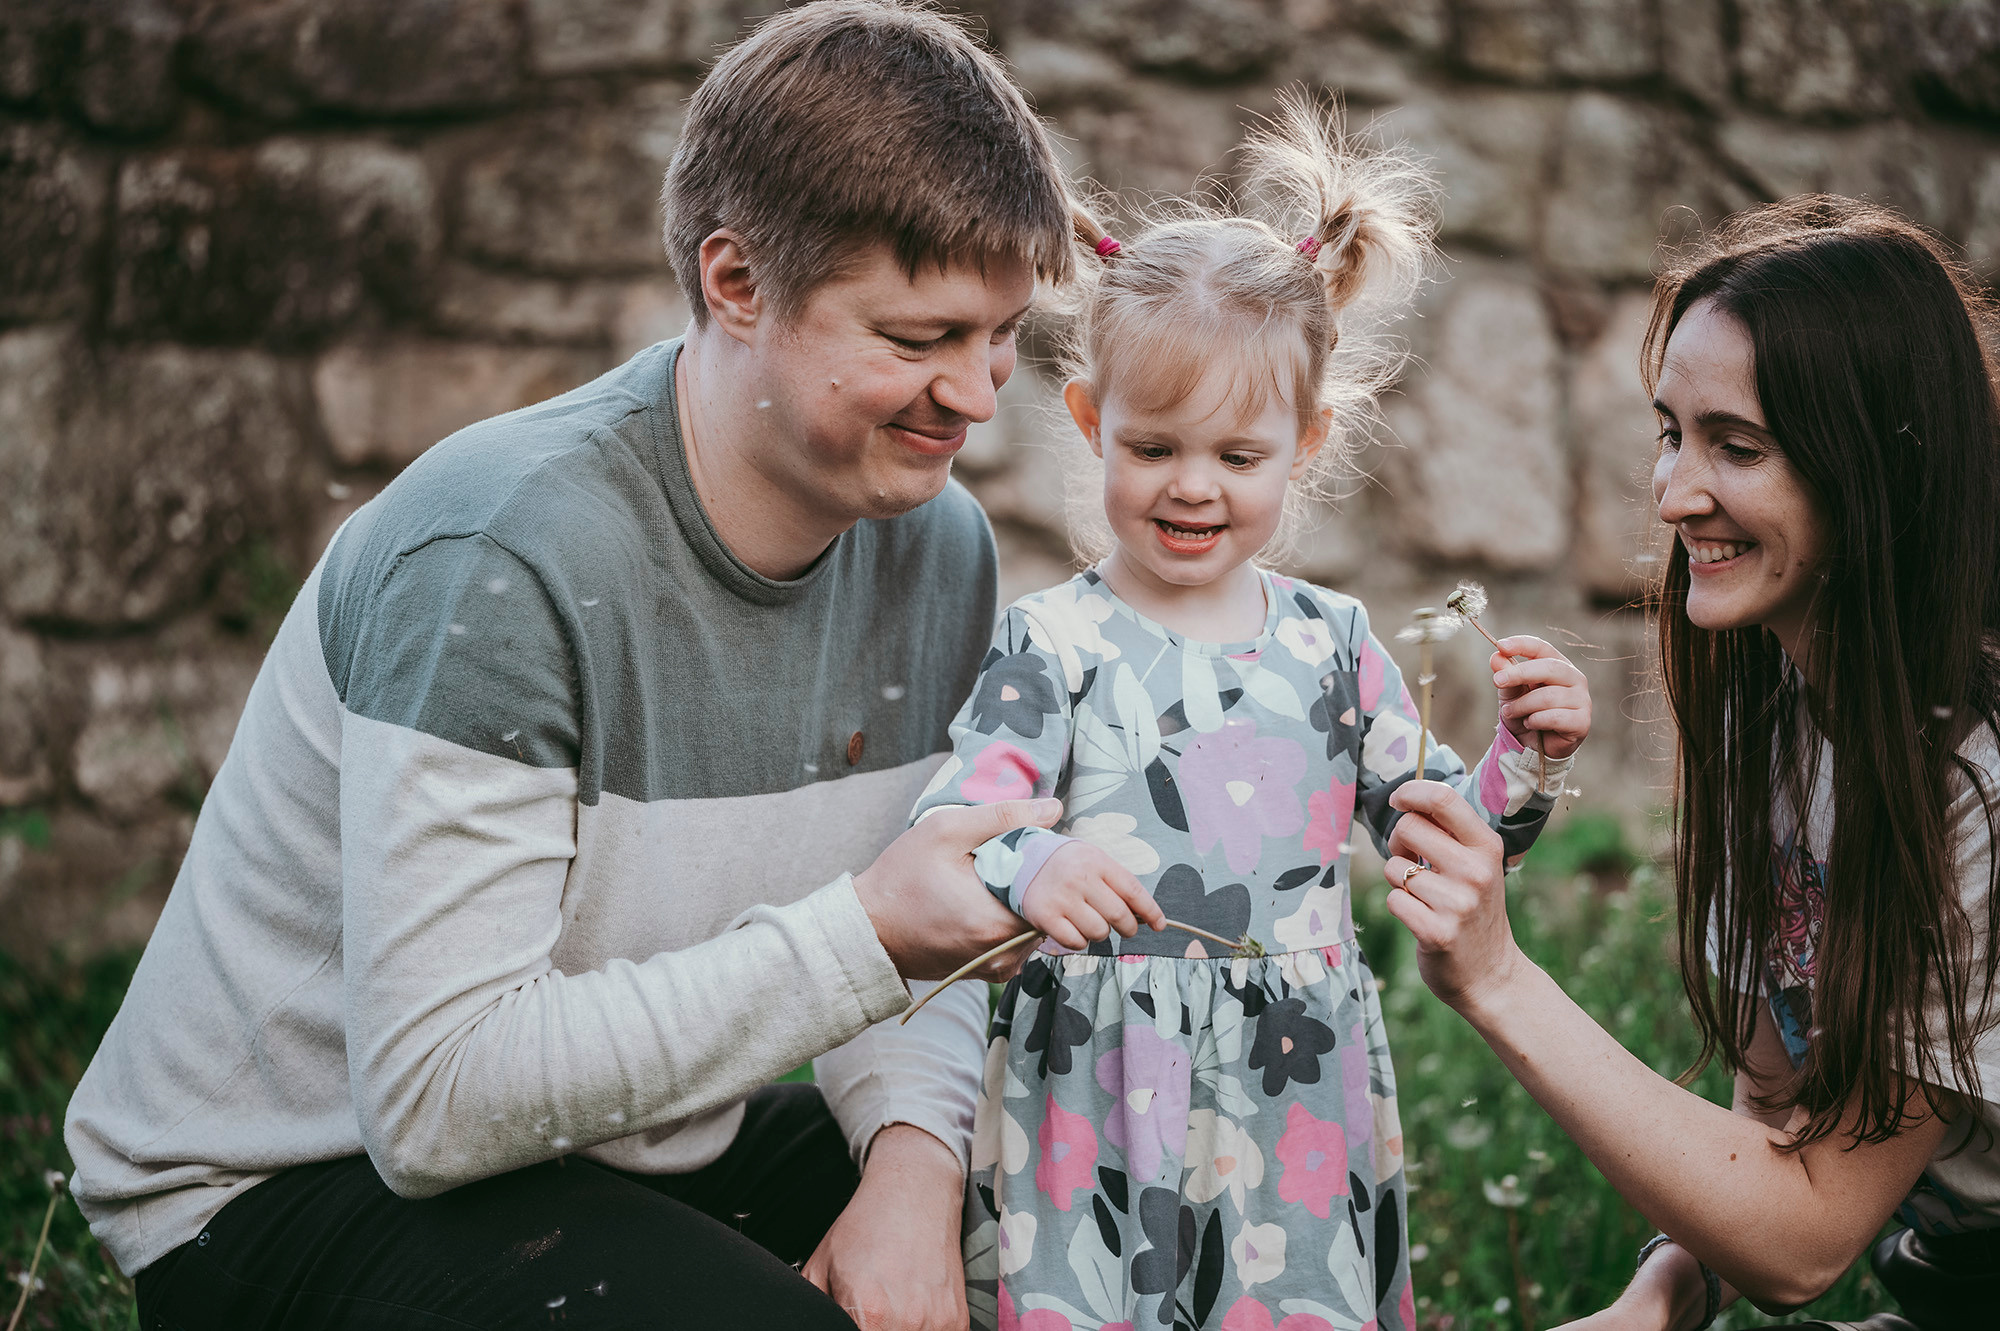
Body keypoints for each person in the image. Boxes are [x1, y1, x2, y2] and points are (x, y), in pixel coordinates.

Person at [62, 4, 1082, 1328]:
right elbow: (432, 1101)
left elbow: (927, 931)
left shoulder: (934, 547)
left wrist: (911, 1165)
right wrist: (865, 931)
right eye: (915, 338)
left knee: (1085, 1196)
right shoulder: (499, 553)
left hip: (618, 1138)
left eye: (998, 333)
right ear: (734, 282)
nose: (978, 392)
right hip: (287, 1182)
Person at [909, 97, 1597, 1331]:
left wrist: (1524, 762)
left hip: (1295, 1087)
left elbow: (1442, 833)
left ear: (1304, 442)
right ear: (1089, 423)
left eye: (1236, 456)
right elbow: (962, 824)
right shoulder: (1049, 638)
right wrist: (1037, 860)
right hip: (1094, 1080)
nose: (1191, 485)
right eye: (1154, 445)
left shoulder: (1328, 642)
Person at [1376, 196, 2000, 1331]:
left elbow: (1803, 1238)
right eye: (1671, 431)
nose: (1671, 495)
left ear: (1875, 469)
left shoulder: (1976, 788)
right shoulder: (1778, 730)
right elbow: (1769, 1130)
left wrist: (1498, 975)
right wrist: (1655, 1297)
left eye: (1737, 446)